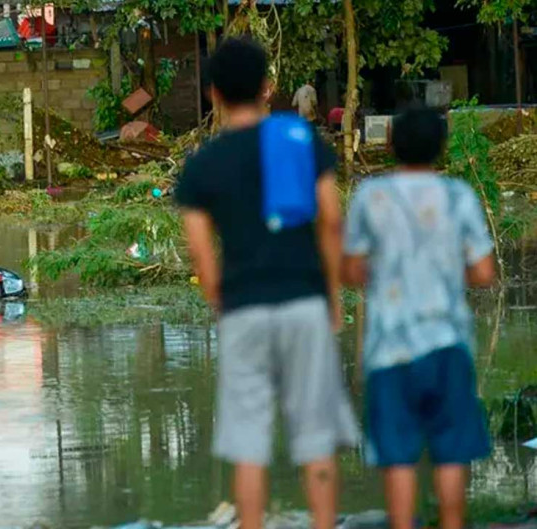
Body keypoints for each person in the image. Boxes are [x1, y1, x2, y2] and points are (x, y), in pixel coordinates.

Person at [175, 38, 358, 529]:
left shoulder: (203, 165)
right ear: (266, 88)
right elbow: (331, 222)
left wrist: (222, 304)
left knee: (248, 443)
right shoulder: (300, 141)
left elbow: (200, 250)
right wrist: (333, 295)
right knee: (316, 435)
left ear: (213, 93)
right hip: (304, 304)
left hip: (244, 311)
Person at [342, 106, 495, 529]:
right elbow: (484, 273)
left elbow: (350, 271)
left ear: (390, 146)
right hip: (448, 344)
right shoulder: (458, 196)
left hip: (390, 348)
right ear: (440, 149)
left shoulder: (370, 197)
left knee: (398, 455)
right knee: (451, 449)